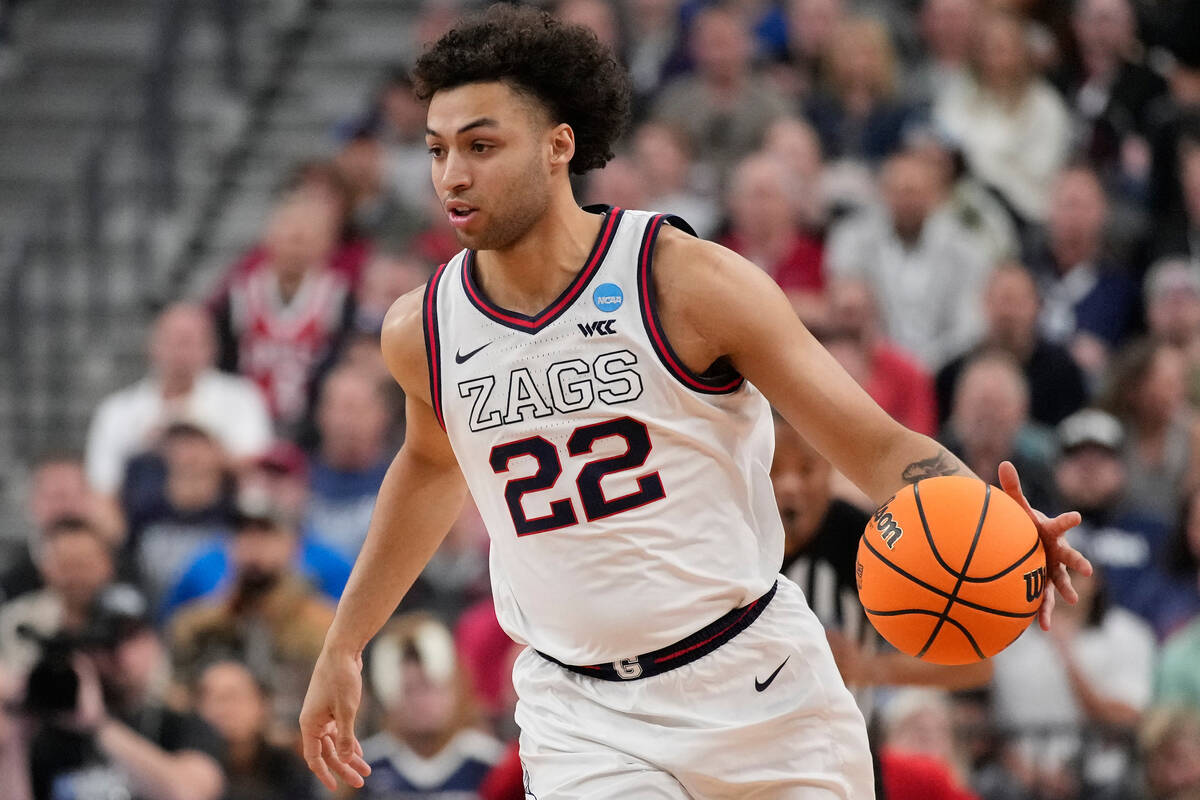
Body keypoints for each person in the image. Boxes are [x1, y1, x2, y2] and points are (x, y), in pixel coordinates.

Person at [298, 7, 1089, 797]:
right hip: (582, 716)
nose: (452, 177)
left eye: (480, 145)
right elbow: (432, 465)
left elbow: (877, 445)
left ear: (558, 145)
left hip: (757, 684)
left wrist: (991, 521)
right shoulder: (422, 329)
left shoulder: (683, 280)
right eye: (437, 151)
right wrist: (346, 642)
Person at [26, 583, 226, 800]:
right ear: (86, 649)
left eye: (132, 637)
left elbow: (190, 793)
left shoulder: (182, 724)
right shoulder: (51, 728)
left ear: (155, 643)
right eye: (107, 642)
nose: (120, 655)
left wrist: (98, 725)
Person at [170, 496, 334, 740]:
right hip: (211, 755)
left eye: (266, 533)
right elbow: (173, 700)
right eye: (243, 533)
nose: (253, 545)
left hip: (297, 759)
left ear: (293, 544)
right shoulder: (197, 626)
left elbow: (342, 715)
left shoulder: (324, 627)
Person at [85, 303, 272, 497]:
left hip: (226, 518)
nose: (181, 352)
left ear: (212, 349)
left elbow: (256, 467)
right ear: (151, 346)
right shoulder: (117, 410)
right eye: (172, 341)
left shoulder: (241, 398)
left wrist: (187, 451)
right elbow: (102, 484)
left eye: (190, 341)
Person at [358, 614, 504, 799]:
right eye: (409, 690)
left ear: (456, 686)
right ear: (385, 694)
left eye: (431, 686)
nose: (422, 702)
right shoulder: (362, 769)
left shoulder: (492, 765)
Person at [936, 262, 1088, 428]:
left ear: (1037, 306)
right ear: (984, 302)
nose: (1008, 312)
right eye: (1003, 300)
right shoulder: (953, 374)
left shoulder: (1062, 372)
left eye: (1018, 301)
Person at [194, 660, 316, 800]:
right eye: (210, 698)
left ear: (261, 704)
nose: (222, 710)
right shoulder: (187, 769)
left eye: (232, 697)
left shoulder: (288, 767)